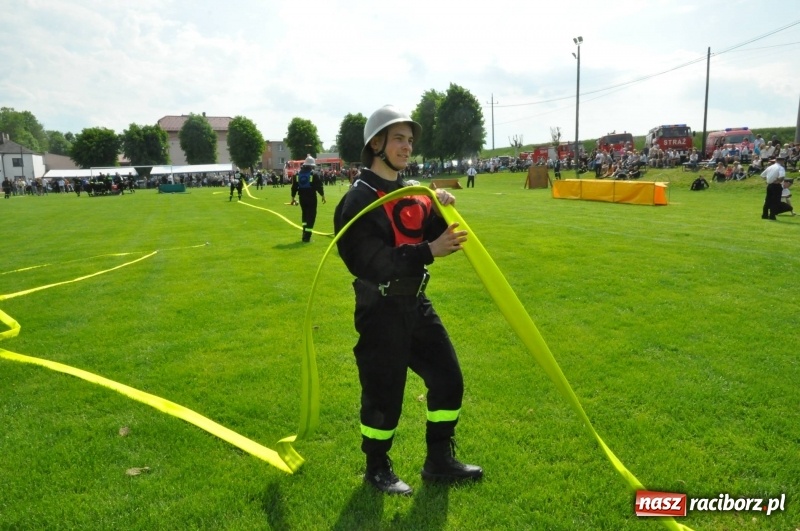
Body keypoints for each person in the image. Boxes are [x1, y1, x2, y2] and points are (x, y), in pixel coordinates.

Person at [333, 105, 483, 496]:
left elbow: (437, 232)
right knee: (384, 393)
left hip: (416, 305)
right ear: (376, 144)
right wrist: (428, 251)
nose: (407, 146)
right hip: (380, 309)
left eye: (409, 139)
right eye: (398, 138)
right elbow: (371, 262)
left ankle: (439, 461)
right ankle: (377, 468)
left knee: (448, 377)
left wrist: (443, 204)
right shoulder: (357, 200)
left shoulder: (413, 191)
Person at [291, 155, 326, 242]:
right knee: (311, 216)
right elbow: (319, 186)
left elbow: (294, 187)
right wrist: (323, 196)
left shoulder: (297, 174)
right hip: (311, 197)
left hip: (302, 197)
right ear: (311, 165)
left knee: (305, 214)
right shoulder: (314, 174)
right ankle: (307, 237)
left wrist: (292, 198)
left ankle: (304, 233)